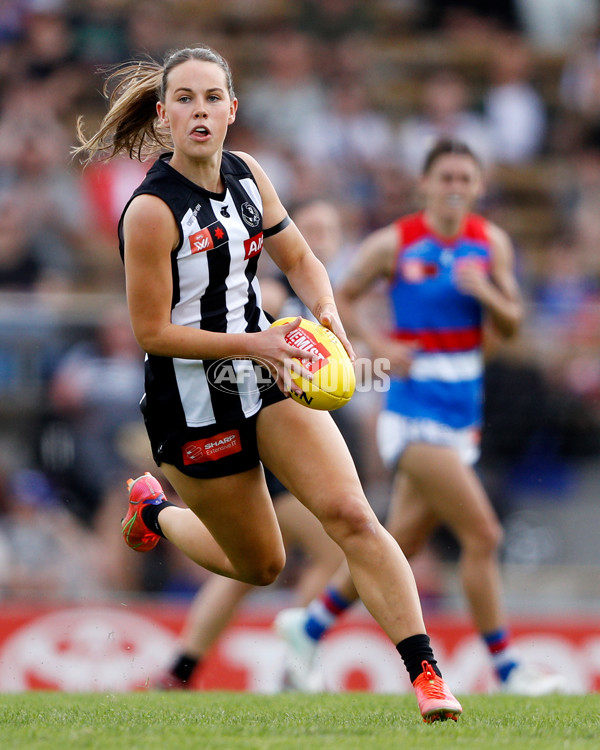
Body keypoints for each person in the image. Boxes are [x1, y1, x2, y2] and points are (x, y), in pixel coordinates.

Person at [73, 44, 462, 722]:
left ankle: (427, 676)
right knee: (261, 567)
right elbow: (152, 333)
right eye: (185, 100)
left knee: (352, 516)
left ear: (232, 109)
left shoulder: (249, 174)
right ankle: (155, 511)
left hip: (271, 373)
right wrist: (257, 342)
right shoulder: (150, 212)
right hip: (193, 403)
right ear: (164, 116)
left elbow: (302, 256)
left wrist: (329, 313)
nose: (200, 111)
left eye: (211, 98)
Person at [275, 138, 564, 696]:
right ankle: (508, 671)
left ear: (478, 188)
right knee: (483, 533)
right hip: (411, 411)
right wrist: (381, 342)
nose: (455, 188)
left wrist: (487, 293)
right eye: (446, 177)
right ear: (425, 185)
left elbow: (512, 326)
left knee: (398, 543)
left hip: (462, 413)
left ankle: (308, 626)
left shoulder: (490, 245)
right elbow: (341, 298)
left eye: (465, 179)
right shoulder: (395, 243)